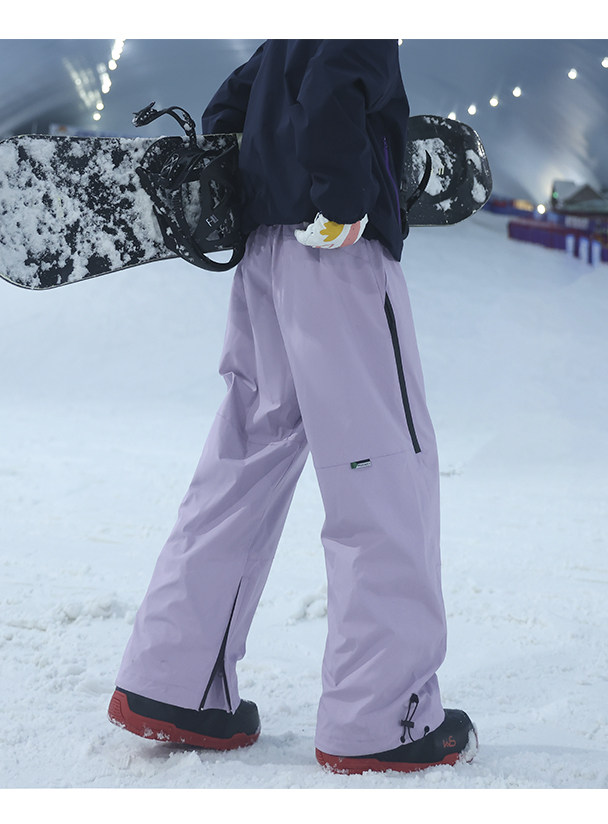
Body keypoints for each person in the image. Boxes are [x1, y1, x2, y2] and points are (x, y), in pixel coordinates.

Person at [107, 39, 475, 775]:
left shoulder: (285, 38)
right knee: (380, 466)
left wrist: (258, 186)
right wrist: (342, 199)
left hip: (264, 254)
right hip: (335, 253)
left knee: (246, 457)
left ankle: (173, 682)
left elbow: (229, 105)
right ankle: (383, 716)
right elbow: (337, 84)